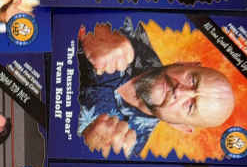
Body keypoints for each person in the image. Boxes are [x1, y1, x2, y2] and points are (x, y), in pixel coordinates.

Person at [77, 21, 235, 157]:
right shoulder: (126, 26)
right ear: (186, 64)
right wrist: (88, 32)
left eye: (190, 106)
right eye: (193, 80)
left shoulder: (124, 151)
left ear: (180, 126)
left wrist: (84, 147)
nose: (180, 91)